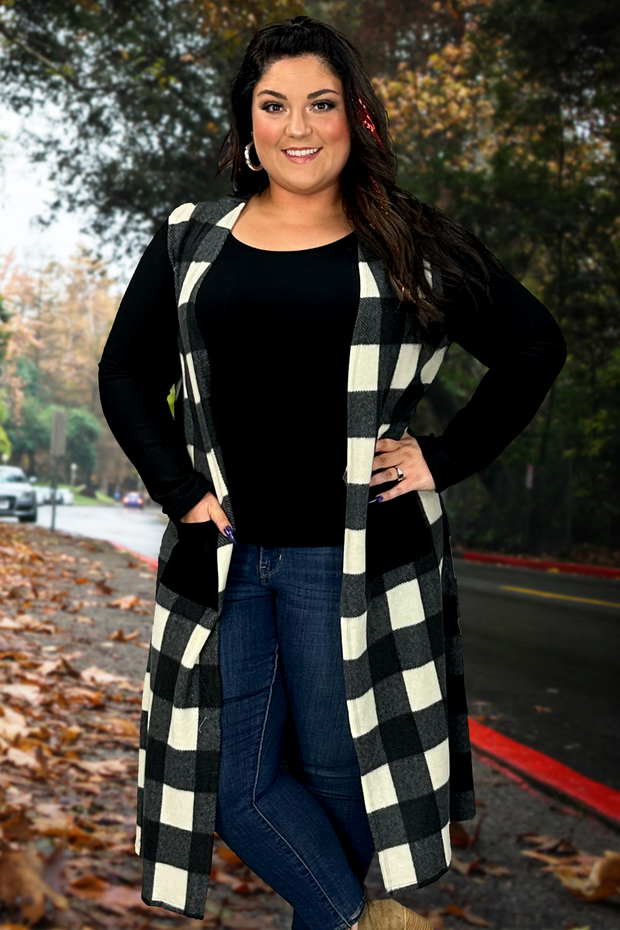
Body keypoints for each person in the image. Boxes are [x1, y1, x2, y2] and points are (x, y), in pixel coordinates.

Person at [98, 15, 567, 930]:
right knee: (233, 790)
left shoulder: (409, 240)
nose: (299, 127)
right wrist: (179, 491)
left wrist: (443, 457)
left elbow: (532, 346)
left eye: (321, 104)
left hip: (352, 561)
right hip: (224, 557)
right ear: (248, 123)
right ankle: (360, 921)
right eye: (275, 106)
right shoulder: (191, 237)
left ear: (354, 117)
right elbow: (124, 373)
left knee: (335, 772)